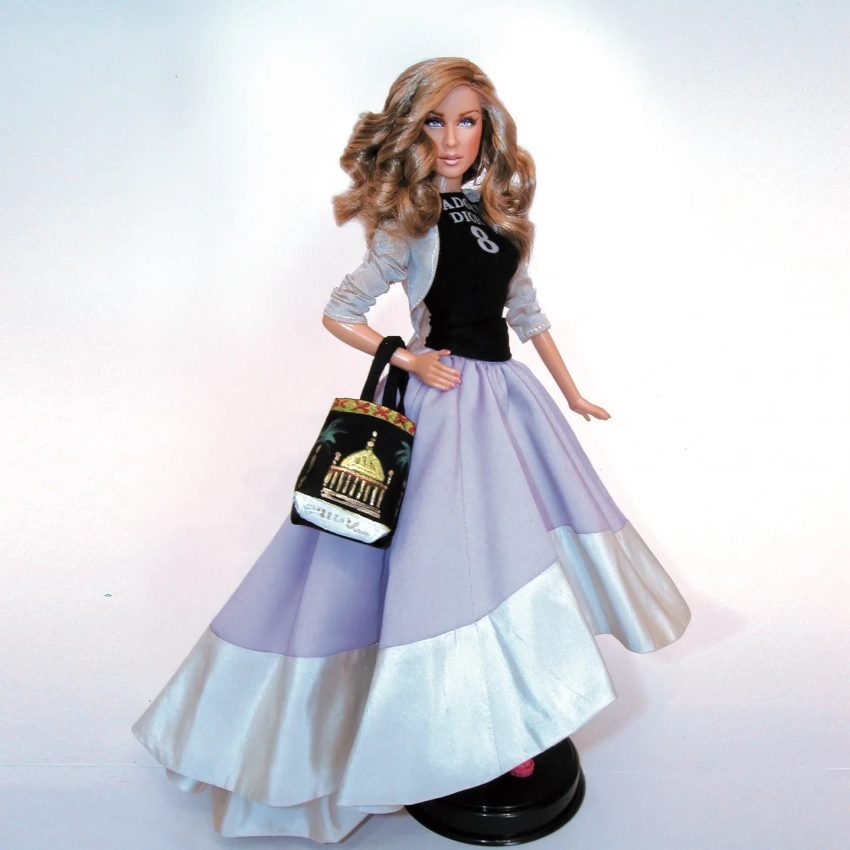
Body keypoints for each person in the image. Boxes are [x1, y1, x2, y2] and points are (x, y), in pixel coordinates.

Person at [132, 57, 691, 844]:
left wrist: (571, 392)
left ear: (488, 129)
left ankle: (512, 710)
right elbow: (341, 310)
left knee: (511, 557)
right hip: (444, 403)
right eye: (434, 121)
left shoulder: (504, 219)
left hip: (509, 405)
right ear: (411, 129)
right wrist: (407, 357)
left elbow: (528, 314)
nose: (452, 138)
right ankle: (439, 724)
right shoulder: (409, 227)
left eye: (467, 121)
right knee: (443, 568)